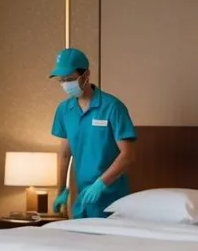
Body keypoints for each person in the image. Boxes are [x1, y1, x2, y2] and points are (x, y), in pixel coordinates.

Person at [49, 47, 137, 219]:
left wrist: (101, 184)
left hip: (112, 198)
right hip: (82, 197)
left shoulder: (112, 107)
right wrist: (60, 190)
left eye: (71, 79)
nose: (67, 84)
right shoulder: (64, 110)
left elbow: (128, 155)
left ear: (86, 74)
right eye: (62, 80)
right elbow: (65, 154)